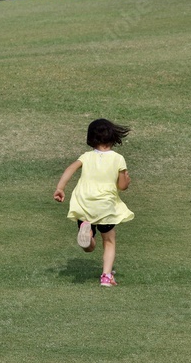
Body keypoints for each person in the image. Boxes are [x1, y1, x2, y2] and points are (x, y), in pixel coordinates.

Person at [53, 119, 134, 287]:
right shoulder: (118, 159)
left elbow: (70, 168)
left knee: (89, 247)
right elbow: (122, 186)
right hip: (105, 205)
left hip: (84, 202)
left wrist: (60, 188)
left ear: (90, 138)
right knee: (109, 241)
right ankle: (106, 277)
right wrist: (127, 181)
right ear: (113, 136)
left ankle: (88, 237)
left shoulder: (86, 156)